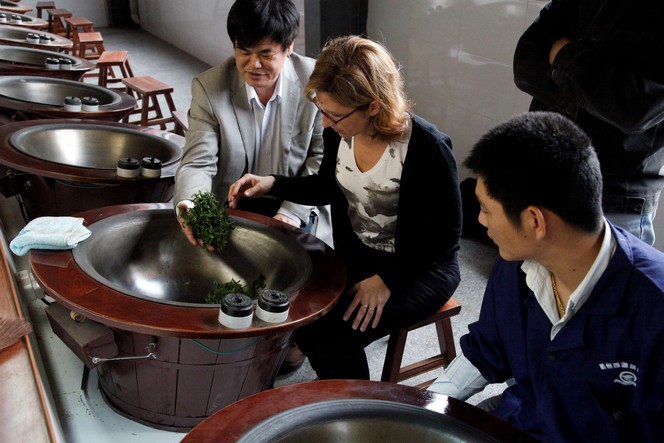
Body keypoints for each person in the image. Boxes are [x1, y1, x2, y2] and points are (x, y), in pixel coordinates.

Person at [228, 35, 462, 380]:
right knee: (303, 315)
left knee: (337, 337)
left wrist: (386, 280)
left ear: (373, 106)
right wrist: (273, 183)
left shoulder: (428, 149)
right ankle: (336, 393)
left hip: (421, 269)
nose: (324, 123)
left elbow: (447, 236)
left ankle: (359, 416)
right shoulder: (341, 131)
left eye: (334, 115)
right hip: (362, 259)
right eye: (322, 110)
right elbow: (327, 186)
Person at [428, 112, 664, 442]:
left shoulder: (654, 305)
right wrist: (423, 407)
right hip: (524, 418)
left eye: (486, 209)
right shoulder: (515, 264)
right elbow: (486, 350)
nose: (480, 221)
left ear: (535, 222)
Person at [173, 0, 332, 247]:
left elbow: (321, 158)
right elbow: (198, 161)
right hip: (232, 208)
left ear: (289, 47)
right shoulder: (210, 87)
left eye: (266, 54)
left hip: (295, 205)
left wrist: (290, 213)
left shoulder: (315, 83)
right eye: (244, 52)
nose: (253, 65)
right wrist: (190, 203)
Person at [513, 1, 664, 246]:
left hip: (613, 202)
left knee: (602, 285)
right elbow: (524, 65)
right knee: (522, 282)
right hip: (540, 176)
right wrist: (594, 90)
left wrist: (562, 55)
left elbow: (635, 109)